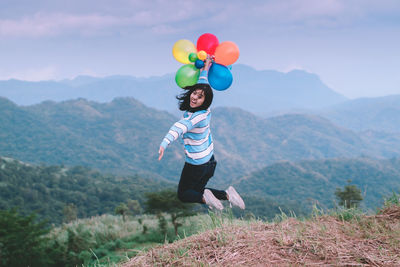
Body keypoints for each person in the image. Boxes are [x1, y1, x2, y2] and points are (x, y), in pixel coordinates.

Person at [158, 57, 245, 210]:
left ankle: (207, 199)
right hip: (210, 161)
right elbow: (203, 84)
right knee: (196, 191)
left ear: (205, 101)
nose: (194, 97)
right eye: (194, 93)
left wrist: (165, 143)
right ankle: (228, 195)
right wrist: (205, 68)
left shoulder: (196, 117)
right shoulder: (206, 111)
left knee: (184, 194)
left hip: (196, 164)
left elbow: (178, 127)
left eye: (199, 97)